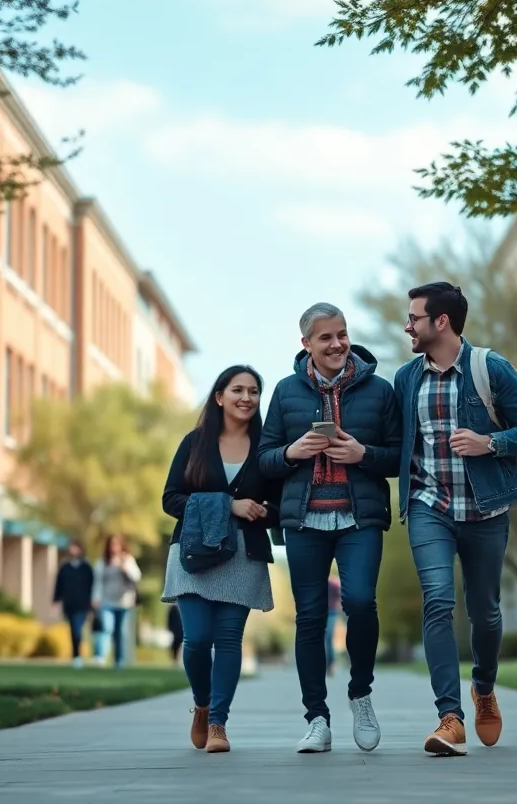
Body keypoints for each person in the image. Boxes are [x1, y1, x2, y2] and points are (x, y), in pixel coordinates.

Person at [393, 281, 517, 757]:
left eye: (415, 318)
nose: (408, 325)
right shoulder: (407, 378)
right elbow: (396, 440)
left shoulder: (490, 368)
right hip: (430, 507)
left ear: (441, 321)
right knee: (438, 600)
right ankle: (450, 718)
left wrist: (491, 443)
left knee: (485, 611)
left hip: (486, 510)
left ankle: (483, 687)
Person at [258, 302, 402, 755]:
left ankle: (360, 694)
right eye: (326, 337)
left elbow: (401, 455)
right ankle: (317, 718)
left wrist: (364, 455)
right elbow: (263, 459)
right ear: (306, 345)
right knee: (310, 619)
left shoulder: (379, 391)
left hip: (359, 517)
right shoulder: (284, 392)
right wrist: (291, 453)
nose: (337, 343)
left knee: (360, 602)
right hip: (304, 519)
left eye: (342, 334)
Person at [162, 365, 279, 754]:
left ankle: (218, 724)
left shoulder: (267, 447)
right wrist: (228, 504)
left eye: (254, 391)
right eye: (238, 390)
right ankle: (202, 703)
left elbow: (282, 504)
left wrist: (264, 510)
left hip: (243, 555)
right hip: (193, 554)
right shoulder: (194, 443)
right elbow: (170, 499)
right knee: (196, 640)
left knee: (229, 640)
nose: (246, 398)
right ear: (219, 397)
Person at [91, 534, 141, 668]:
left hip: (125, 602)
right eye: (112, 544)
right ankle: (100, 657)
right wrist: (95, 598)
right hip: (107, 601)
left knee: (121, 634)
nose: (114, 547)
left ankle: (119, 662)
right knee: (107, 628)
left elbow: (136, 577)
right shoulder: (102, 562)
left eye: (116, 544)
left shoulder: (127, 560)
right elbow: (98, 582)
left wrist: (124, 566)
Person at [53, 539, 94, 668]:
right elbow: (59, 585)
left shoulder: (86, 568)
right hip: (69, 603)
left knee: (77, 629)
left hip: (82, 604)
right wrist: (55, 600)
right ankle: (76, 655)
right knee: (72, 629)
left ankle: (78, 656)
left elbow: (92, 585)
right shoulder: (65, 567)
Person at [325, 573, 341, 677]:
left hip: (331, 612)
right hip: (320, 611)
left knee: (328, 638)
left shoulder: (334, 584)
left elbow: (340, 597)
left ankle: (330, 665)